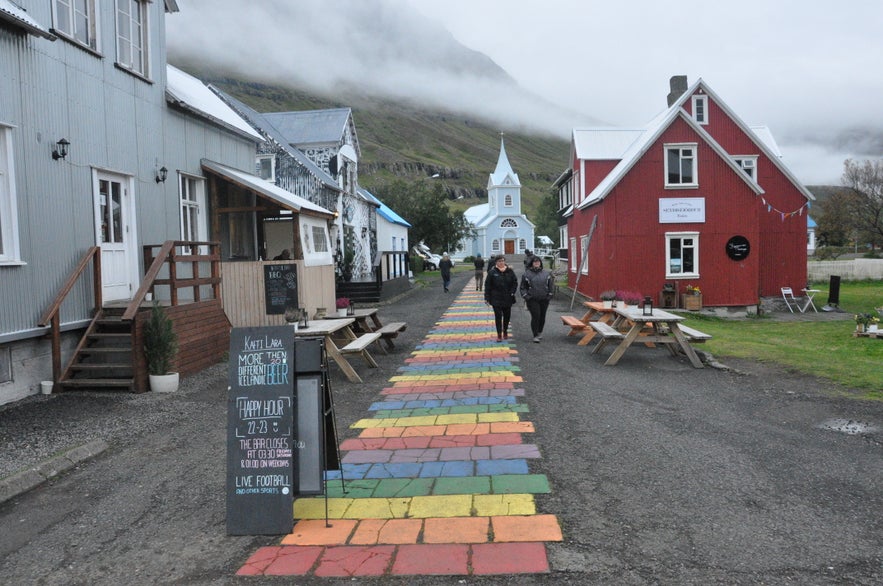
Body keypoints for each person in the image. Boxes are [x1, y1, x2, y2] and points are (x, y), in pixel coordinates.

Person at [520, 255, 554, 343]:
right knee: (536, 316)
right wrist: (526, 296)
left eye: (538, 262)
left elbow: (550, 285)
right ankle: (535, 335)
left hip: (544, 298)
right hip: (532, 299)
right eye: (535, 262)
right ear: (532, 263)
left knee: (542, 317)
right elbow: (523, 287)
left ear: (540, 263)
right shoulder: (527, 274)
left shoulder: (546, 273)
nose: (536, 263)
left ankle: (539, 332)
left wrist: (549, 296)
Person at [484, 255, 518, 342]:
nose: (501, 262)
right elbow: (488, 285)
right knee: (498, 316)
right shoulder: (492, 272)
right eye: (499, 261)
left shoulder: (510, 271)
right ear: (496, 262)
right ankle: (499, 334)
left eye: (502, 261)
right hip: (496, 298)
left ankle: (505, 330)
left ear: (504, 261)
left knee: (507, 316)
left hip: (507, 297)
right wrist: (487, 297)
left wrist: (512, 292)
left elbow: (515, 282)